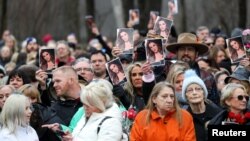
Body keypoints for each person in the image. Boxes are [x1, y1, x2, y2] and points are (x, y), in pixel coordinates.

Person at [58, 79, 123, 141]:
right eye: (84, 103)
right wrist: (71, 137)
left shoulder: (111, 123)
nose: (85, 107)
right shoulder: (87, 116)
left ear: (101, 102)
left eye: (90, 104)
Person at [130, 82, 196, 141]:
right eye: (164, 96)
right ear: (154, 99)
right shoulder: (142, 117)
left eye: (172, 96)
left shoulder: (185, 116)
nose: (169, 100)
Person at [182, 69, 221, 141]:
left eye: (198, 89)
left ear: (203, 93)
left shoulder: (218, 114)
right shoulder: (184, 118)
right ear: (186, 95)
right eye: (190, 90)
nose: (194, 93)